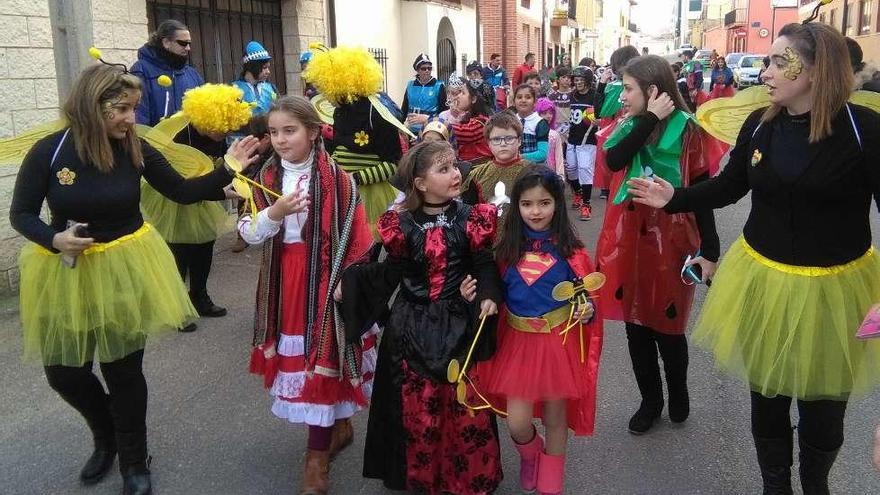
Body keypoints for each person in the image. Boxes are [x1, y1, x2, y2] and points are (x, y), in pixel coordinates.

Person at [625, 22, 880, 493]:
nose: (765, 71)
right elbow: (728, 186)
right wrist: (674, 198)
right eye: (766, 59)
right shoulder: (761, 122)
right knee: (767, 399)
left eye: (779, 61)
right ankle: (775, 485)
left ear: (816, 70)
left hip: (836, 292)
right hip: (764, 282)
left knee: (824, 410)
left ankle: (816, 482)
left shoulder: (864, 130)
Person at [8, 62, 258, 495]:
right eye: (121, 109)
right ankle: (105, 432)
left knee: (123, 371)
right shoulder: (50, 151)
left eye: (134, 108)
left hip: (124, 266)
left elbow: (181, 191)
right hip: (64, 271)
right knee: (64, 373)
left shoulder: (135, 148)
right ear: (91, 105)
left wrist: (227, 170)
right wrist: (54, 238)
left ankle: (133, 459)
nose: (131, 119)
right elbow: (22, 213)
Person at [237, 95, 375, 495]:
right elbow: (247, 233)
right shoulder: (263, 178)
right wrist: (274, 214)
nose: (280, 140)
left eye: (289, 131)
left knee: (324, 358)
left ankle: (316, 459)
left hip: (327, 280)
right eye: (274, 132)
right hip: (287, 281)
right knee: (302, 363)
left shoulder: (339, 179)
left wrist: (346, 283)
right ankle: (336, 428)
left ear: (314, 133)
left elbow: (359, 237)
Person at [353, 140, 503, 494]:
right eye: (444, 169)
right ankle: (423, 477)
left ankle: (465, 477)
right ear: (419, 183)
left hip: (461, 321)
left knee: (462, 402)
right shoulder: (400, 225)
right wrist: (351, 283)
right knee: (418, 407)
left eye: (454, 166)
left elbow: (484, 265)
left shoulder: (473, 218)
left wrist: (487, 296)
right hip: (411, 329)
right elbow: (392, 272)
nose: (455, 174)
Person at [596, 54, 720, 436]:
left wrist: (710, 250)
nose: (621, 97)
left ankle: (678, 390)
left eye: (628, 89)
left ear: (651, 90)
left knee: (668, 325)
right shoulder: (627, 125)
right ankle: (650, 401)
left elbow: (702, 192)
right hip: (628, 239)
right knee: (635, 323)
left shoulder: (689, 132)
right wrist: (647, 117)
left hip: (674, 242)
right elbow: (615, 159)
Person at [463, 166, 603, 495]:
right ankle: (530, 454)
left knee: (556, 418)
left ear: (557, 204)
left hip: (558, 344)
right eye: (527, 204)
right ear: (517, 206)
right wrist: (477, 292)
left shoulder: (573, 252)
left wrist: (586, 310)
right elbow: (492, 288)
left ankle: (551, 483)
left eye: (544, 203)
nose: (536, 211)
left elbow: (587, 297)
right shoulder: (506, 249)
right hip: (518, 343)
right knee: (518, 421)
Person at [139, 84, 254, 329]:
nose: (227, 133)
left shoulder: (217, 134)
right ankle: (176, 306)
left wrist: (230, 186)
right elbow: (177, 186)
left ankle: (199, 296)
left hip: (204, 192)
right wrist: (218, 190)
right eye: (223, 128)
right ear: (207, 117)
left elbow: (218, 166)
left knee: (204, 245)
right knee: (179, 252)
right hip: (174, 197)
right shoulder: (177, 134)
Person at [304, 44, 408, 237]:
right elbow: (337, 151)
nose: (323, 93)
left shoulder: (376, 113)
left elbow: (394, 164)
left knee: (366, 252)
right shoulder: (339, 111)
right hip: (343, 193)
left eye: (324, 85)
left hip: (372, 197)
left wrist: (355, 178)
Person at [460, 111, 531, 226]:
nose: (503, 143)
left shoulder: (532, 172)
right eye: (496, 139)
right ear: (488, 143)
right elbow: (471, 213)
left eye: (509, 138)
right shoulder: (477, 175)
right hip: (488, 238)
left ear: (519, 141)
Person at [131, 19, 204, 126]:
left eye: (189, 43)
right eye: (183, 43)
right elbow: (138, 118)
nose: (188, 48)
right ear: (166, 43)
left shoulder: (192, 74)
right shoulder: (141, 71)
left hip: (188, 142)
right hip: (153, 141)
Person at [594, 46, 640, 200]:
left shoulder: (615, 87)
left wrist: (601, 85)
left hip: (614, 133)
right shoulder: (642, 84)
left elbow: (600, 111)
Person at [231, 114, 274, 253]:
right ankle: (242, 233)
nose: (247, 144)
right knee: (243, 197)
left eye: (251, 140)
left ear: (266, 138)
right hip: (251, 180)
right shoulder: (251, 152)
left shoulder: (278, 154)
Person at [566, 66, 599, 221]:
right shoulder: (572, 96)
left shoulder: (595, 96)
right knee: (571, 168)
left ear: (588, 81)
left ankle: (586, 204)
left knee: (585, 169)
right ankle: (577, 192)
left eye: (581, 80)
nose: (578, 82)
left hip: (588, 139)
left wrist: (598, 120)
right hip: (571, 138)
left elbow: (603, 115)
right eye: (576, 79)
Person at [446, 76, 493, 164]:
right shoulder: (462, 116)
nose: (457, 96)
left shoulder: (481, 121)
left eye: (462, 92)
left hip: (479, 169)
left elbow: (465, 132)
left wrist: (435, 122)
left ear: (474, 99)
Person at [402, 53, 448, 135]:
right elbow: (404, 108)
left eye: (429, 68)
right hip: (411, 131)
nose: (427, 70)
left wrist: (429, 119)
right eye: (423, 68)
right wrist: (400, 126)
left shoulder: (439, 86)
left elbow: (443, 112)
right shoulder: (410, 85)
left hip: (430, 130)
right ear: (417, 70)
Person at [232, 41, 278, 116]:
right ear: (252, 67)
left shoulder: (272, 88)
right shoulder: (234, 89)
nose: (268, 72)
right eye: (264, 68)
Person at [512, 84, 550, 165]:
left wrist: (519, 157)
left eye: (528, 97)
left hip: (534, 169)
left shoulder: (540, 123)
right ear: (514, 101)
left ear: (535, 102)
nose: (523, 100)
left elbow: (542, 154)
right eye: (519, 97)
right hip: (513, 167)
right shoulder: (510, 121)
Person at [536, 97, 564, 176]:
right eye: (544, 113)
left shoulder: (554, 135)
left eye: (551, 113)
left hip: (551, 175)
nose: (548, 116)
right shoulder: (532, 132)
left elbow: (559, 158)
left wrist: (561, 176)